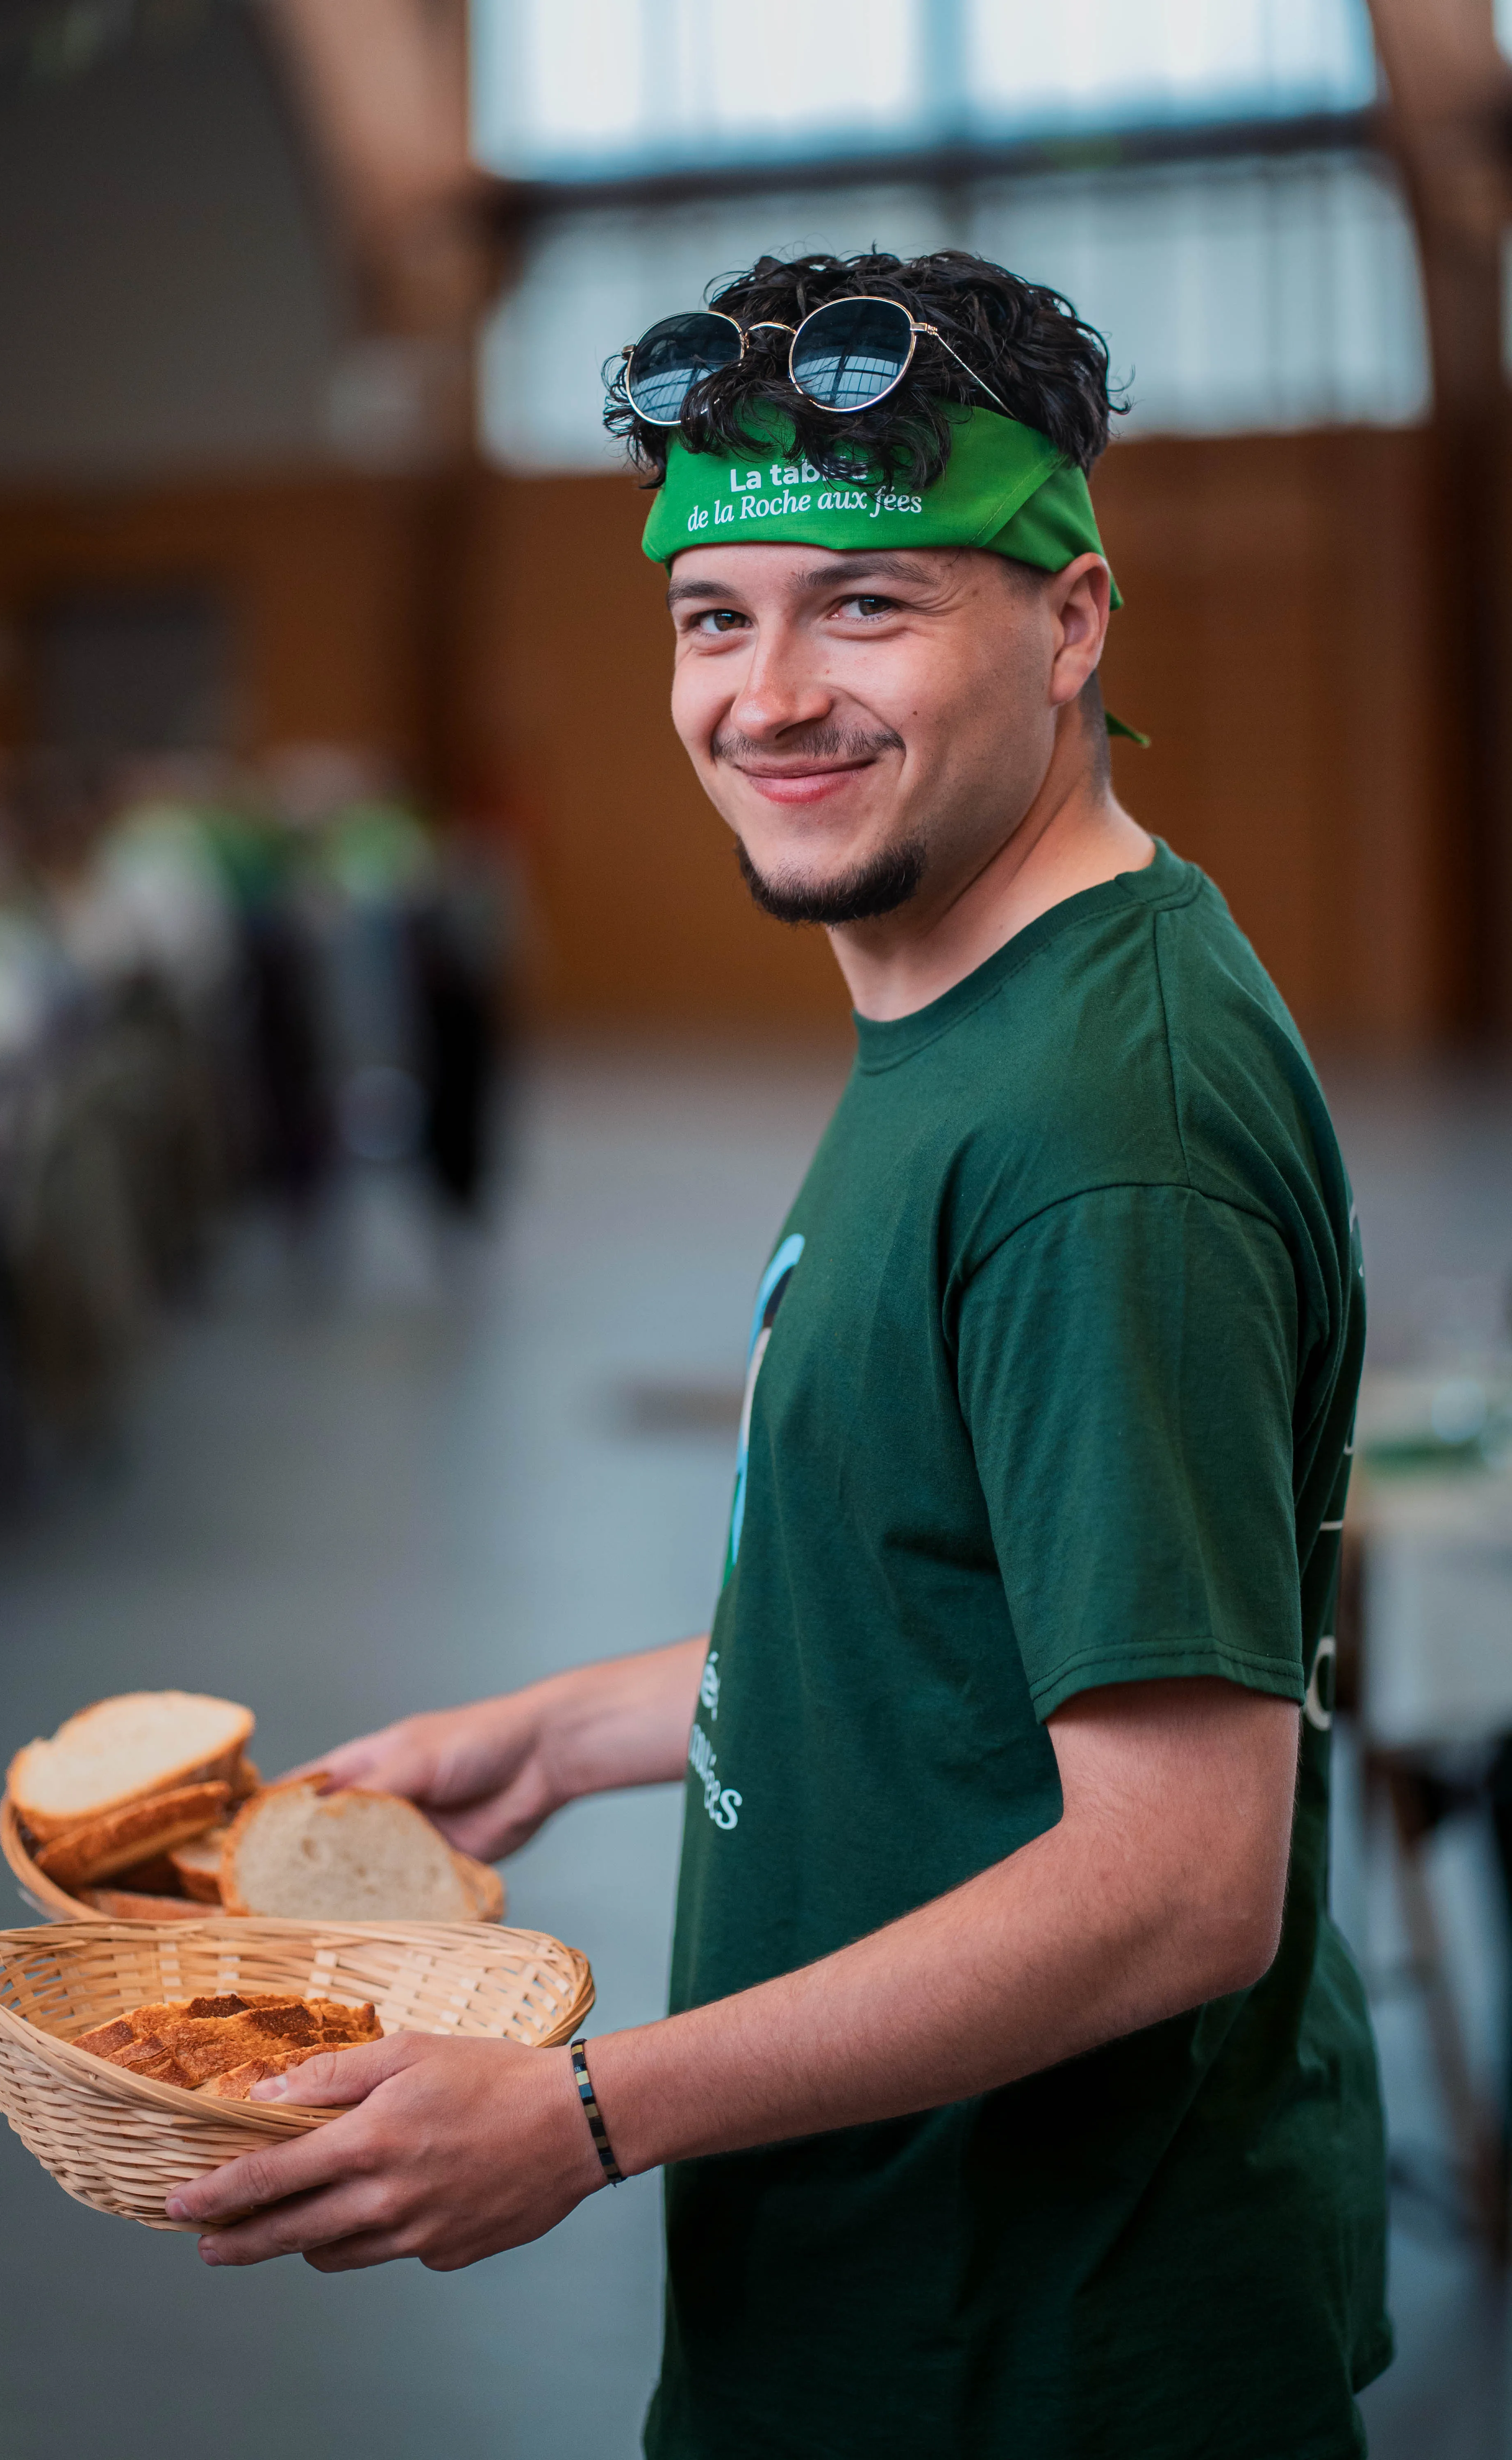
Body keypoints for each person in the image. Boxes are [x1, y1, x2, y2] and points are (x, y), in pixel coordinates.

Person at [168, 249, 1390, 2460]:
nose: (771, 698)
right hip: (884, 2289)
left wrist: (586, 2111)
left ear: (1075, 617)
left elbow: (1179, 1882)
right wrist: (568, 1726)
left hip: (1035, 2351)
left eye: (873, 608)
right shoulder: (983, 993)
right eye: (716, 618)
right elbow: (960, 1614)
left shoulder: (1100, 1141)